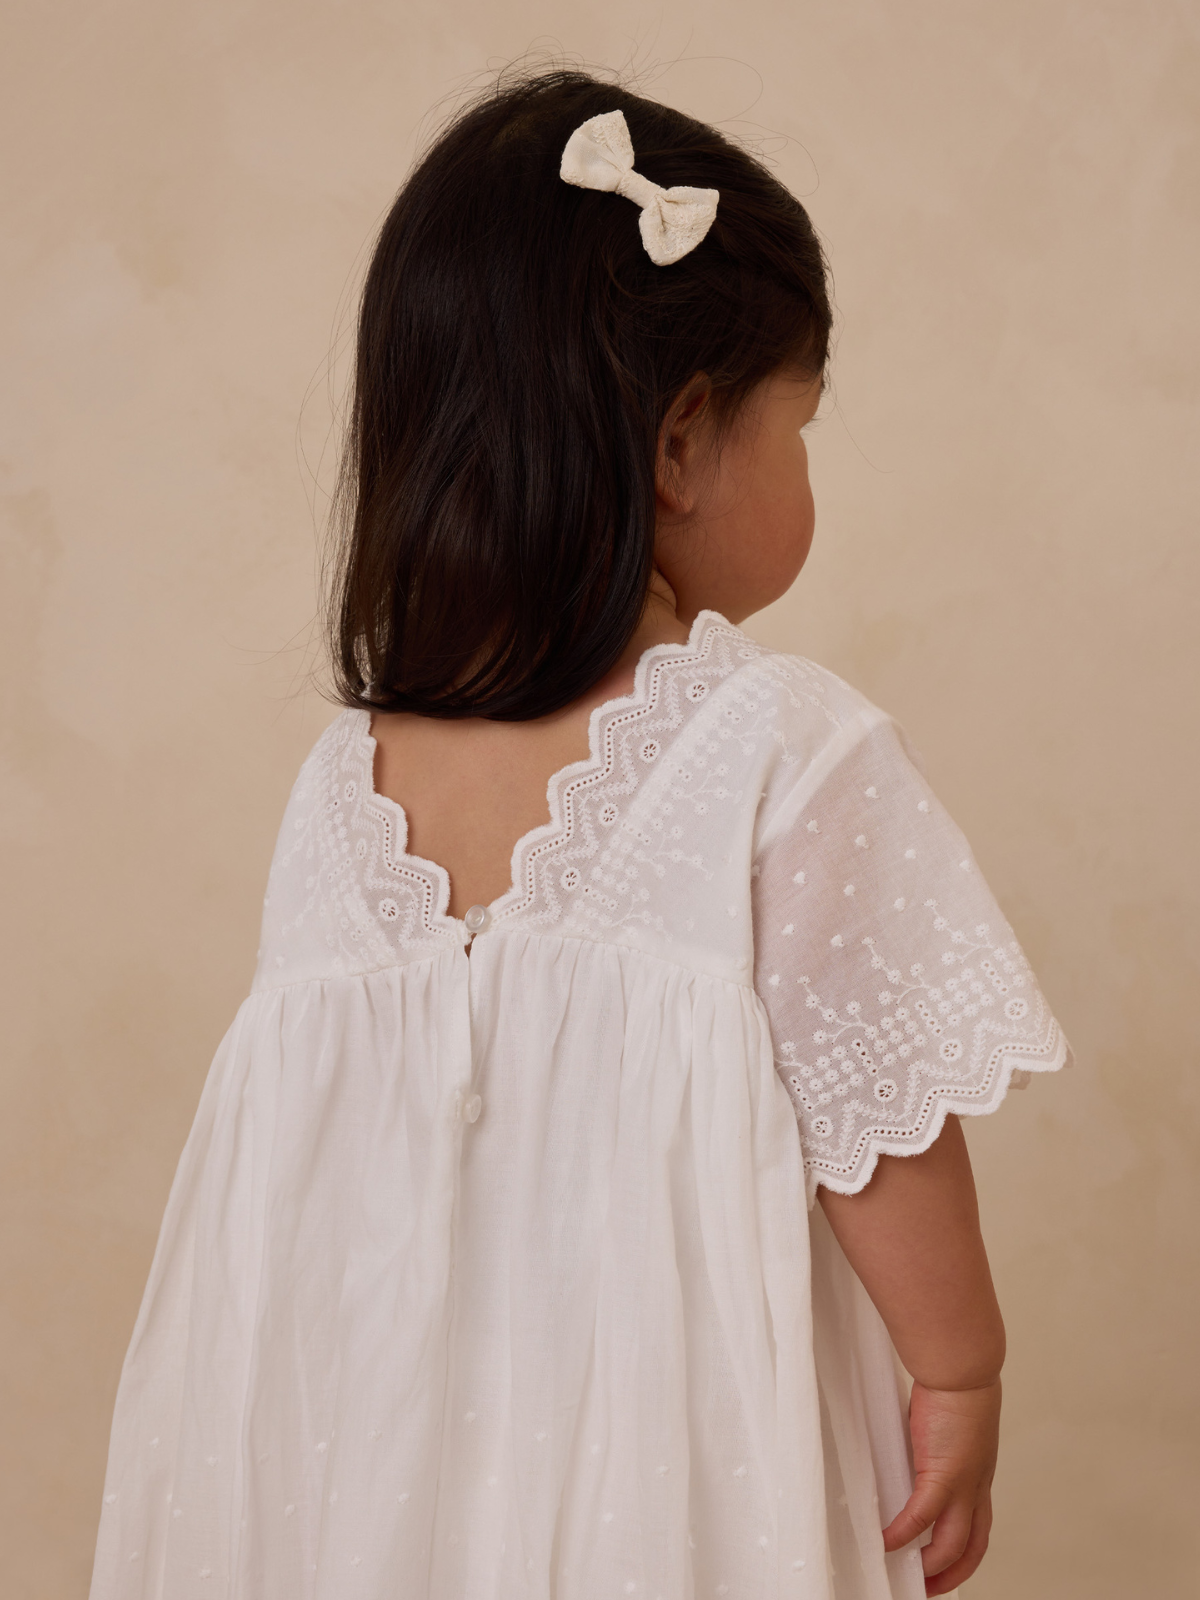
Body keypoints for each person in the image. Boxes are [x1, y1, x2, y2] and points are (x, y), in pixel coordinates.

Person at [88, 68, 1070, 1600]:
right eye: (799, 427)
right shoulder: (780, 749)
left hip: (364, 1500)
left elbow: (274, 1237)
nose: (809, 472)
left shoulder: (339, 791)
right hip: (668, 1492)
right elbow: (879, 1129)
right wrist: (966, 1372)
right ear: (682, 445)